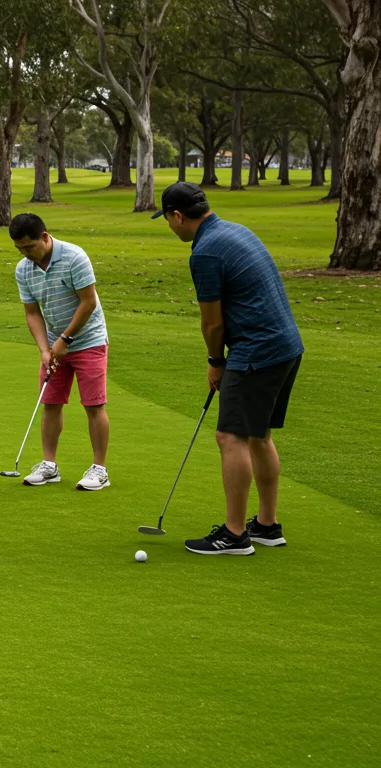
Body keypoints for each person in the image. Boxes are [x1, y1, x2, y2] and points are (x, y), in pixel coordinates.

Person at [156, 182, 304, 555]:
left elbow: (212, 324)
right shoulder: (235, 230)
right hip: (286, 346)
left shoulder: (204, 252)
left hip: (257, 350)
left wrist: (216, 362)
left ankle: (235, 534)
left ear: (178, 216)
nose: (170, 227)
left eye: (168, 220)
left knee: (230, 437)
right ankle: (267, 526)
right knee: (259, 435)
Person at [10, 213, 111, 491]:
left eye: (29, 247)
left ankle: (99, 469)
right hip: (55, 343)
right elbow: (32, 313)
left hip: (88, 340)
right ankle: (49, 466)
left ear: (44, 237)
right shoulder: (24, 269)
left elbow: (88, 303)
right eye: (20, 249)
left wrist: (66, 339)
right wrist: (45, 349)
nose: (26, 254)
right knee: (51, 402)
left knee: (94, 405)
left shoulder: (75, 257)